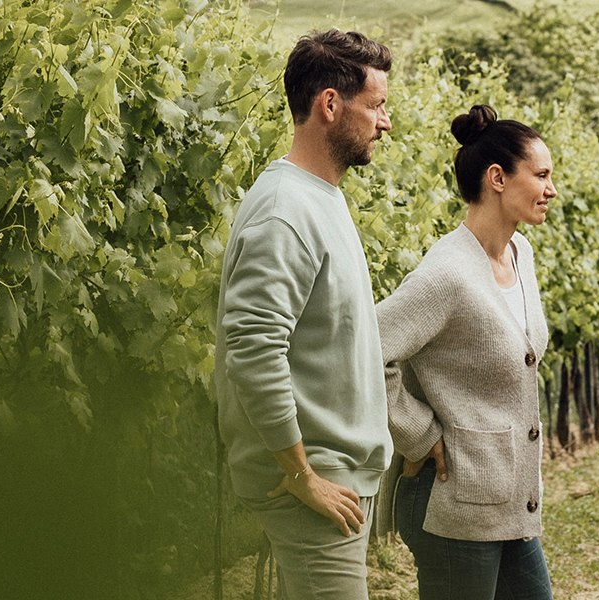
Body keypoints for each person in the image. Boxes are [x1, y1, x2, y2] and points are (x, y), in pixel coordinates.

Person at [214, 29, 394, 600]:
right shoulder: (285, 212)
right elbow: (252, 348)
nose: (384, 123)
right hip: (315, 485)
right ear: (331, 105)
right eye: (377, 106)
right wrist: (300, 475)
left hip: (330, 479)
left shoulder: (317, 196)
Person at [378, 105, 557, 599]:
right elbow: (367, 348)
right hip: (451, 501)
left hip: (505, 503)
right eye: (541, 175)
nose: (551, 189)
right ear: (497, 178)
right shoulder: (448, 275)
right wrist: (417, 433)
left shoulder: (522, 255)